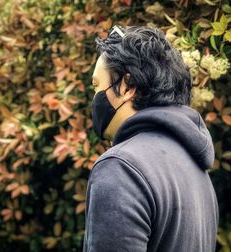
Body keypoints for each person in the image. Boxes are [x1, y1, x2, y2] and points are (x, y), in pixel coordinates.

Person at [82, 25, 219, 252]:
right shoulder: (196, 167)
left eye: (97, 85)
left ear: (128, 86)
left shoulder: (121, 167)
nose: (95, 96)